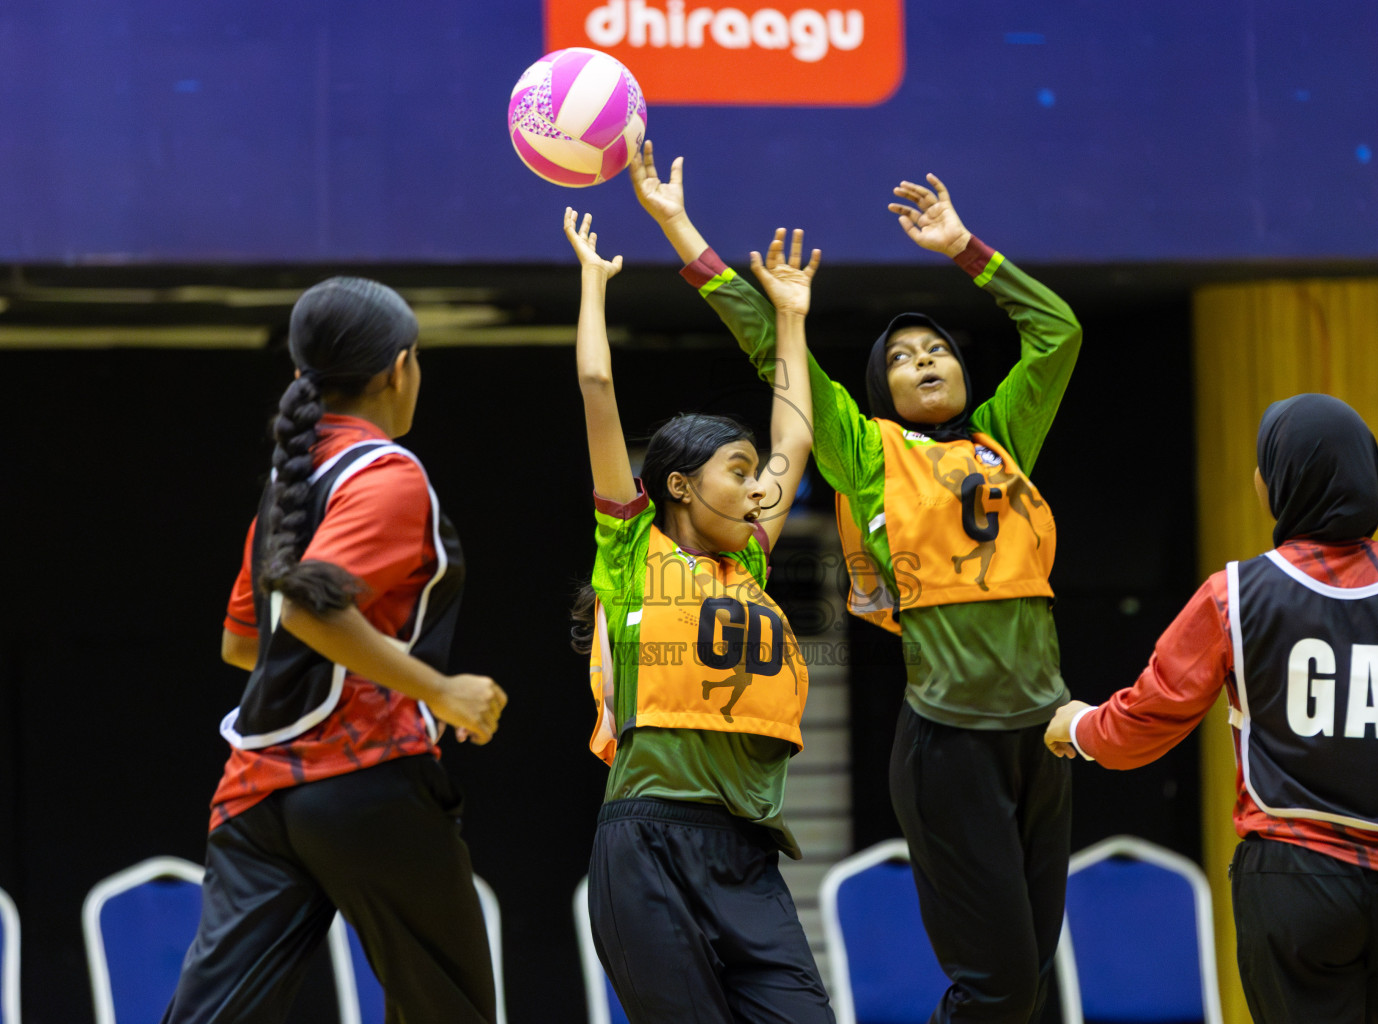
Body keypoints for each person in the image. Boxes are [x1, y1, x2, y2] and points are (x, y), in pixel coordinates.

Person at [632, 142, 1083, 1023]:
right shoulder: (866, 453)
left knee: (1027, 981)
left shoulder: (1004, 441)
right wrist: (681, 231)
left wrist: (965, 248)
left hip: (1046, 734)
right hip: (950, 740)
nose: (925, 360)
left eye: (939, 350)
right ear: (879, 386)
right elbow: (774, 350)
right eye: (904, 354)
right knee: (992, 986)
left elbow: (1057, 331)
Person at [1044, 393, 1378, 1023]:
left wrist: (1077, 727)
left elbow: (1147, 719)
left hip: (1294, 882)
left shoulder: (1234, 594)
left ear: (1280, 482)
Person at [163, 277, 507, 1024]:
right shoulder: (386, 474)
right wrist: (437, 691)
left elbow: (242, 642)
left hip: (257, 794)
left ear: (302, 376)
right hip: (367, 781)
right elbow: (314, 618)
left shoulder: (293, 481)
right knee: (447, 1009)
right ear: (399, 367)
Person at [565, 206, 833, 1024]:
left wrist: (789, 319)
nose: (761, 487)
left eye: (761, 475)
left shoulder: (747, 557)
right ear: (678, 486)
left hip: (744, 851)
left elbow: (798, 426)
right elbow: (597, 386)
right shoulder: (629, 553)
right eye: (740, 470)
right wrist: (593, 284)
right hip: (645, 845)